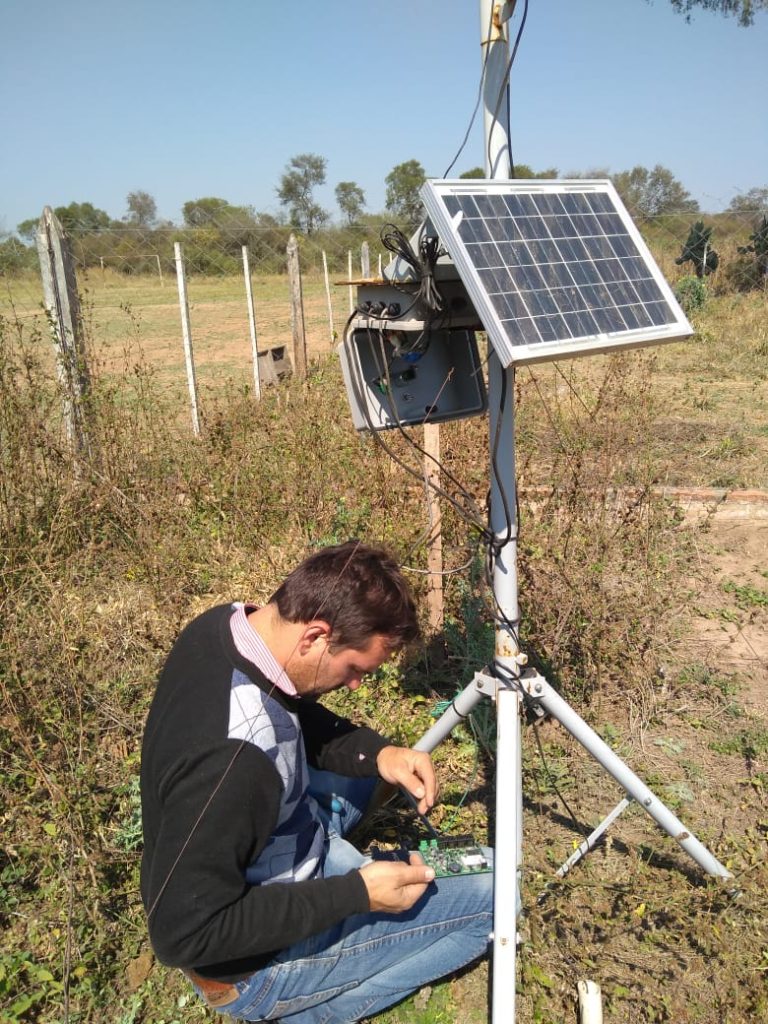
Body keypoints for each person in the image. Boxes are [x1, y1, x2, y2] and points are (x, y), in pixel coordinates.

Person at [140, 540, 493, 1023]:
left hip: (269, 830)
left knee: (375, 778)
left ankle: (335, 849)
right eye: (354, 669)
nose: (354, 686)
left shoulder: (226, 627)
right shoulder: (232, 766)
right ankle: (305, 1011)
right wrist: (357, 893)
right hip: (248, 965)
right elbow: (182, 934)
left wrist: (380, 754)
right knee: (494, 891)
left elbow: (287, 710)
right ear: (315, 637)